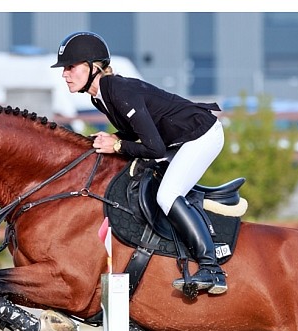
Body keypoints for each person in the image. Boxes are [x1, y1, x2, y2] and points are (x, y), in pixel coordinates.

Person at [51, 31, 228, 295]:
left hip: (200, 135)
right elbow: (138, 134)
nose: (65, 74)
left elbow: (153, 148)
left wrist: (118, 145)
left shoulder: (118, 90)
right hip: (176, 140)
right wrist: (115, 138)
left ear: (94, 67)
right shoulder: (99, 97)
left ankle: (212, 269)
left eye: (70, 67)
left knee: (168, 195)